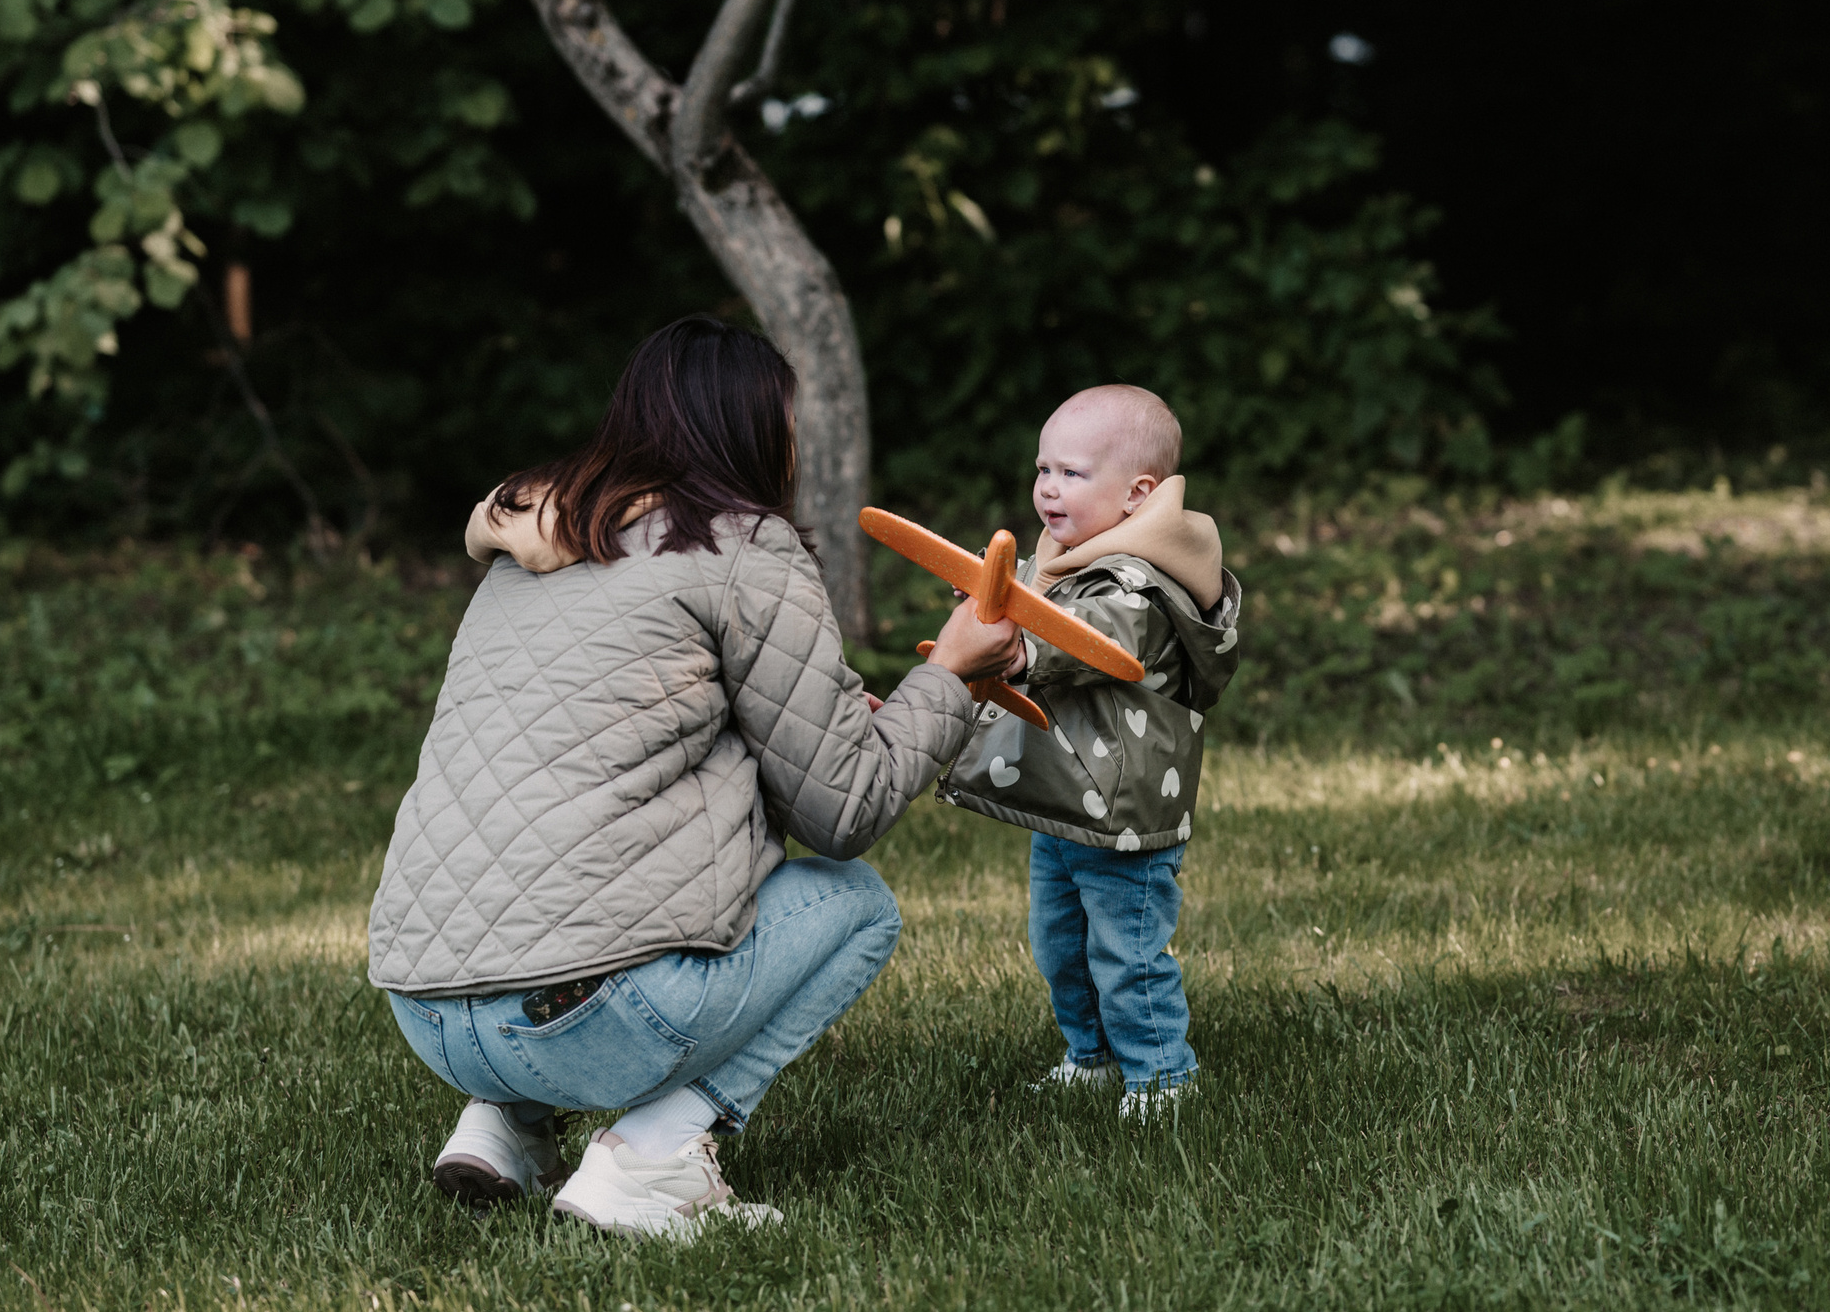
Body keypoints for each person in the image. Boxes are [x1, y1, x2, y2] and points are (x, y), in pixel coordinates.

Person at [368, 316, 1018, 1239]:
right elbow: (844, 809)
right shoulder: (743, 546)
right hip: (577, 1015)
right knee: (854, 906)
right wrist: (952, 673)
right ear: (753, 430)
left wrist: (825, 717)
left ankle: (505, 1124)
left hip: (427, 1007)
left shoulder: (534, 544)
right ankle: (653, 1159)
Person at [935, 385, 1243, 1118]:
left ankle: (1163, 1075)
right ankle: (1092, 1054)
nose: (1047, 487)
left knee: (1127, 951)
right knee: (1061, 943)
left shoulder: (1142, 580)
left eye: (1072, 473)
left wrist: (1018, 650)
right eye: (1043, 468)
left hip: (1124, 810)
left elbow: (1099, 640)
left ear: (1138, 494)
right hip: (1070, 796)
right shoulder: (1073, 559)